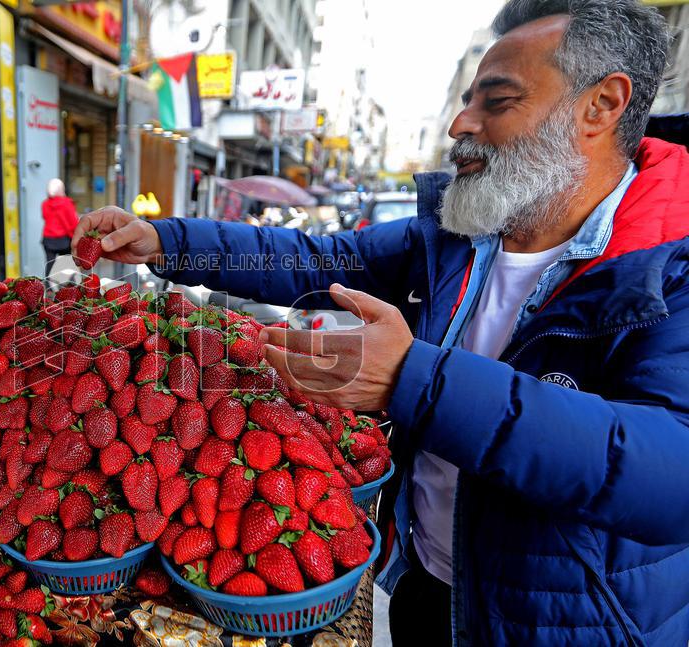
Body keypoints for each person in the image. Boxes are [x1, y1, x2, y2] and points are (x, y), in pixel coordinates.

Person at [71, 1, 689, 644]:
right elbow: (321, 258)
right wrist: (168, 243)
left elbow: (671, 472)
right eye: (468, 99)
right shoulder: (457, 236)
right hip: (425, 587)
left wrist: (414, 378)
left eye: (497, 102)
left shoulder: (670, 264)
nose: (460, 123)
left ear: (602, 106)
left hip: (569, 626)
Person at [41, 178, 79, 279]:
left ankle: (48, 288)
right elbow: (72, 223)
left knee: (49, 264)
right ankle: (68, 287)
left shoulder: (45, 204)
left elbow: (45, 216)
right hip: (64, 239)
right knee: (67, 264)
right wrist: (74, 237)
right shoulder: (67, 203)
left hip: (48, 238)